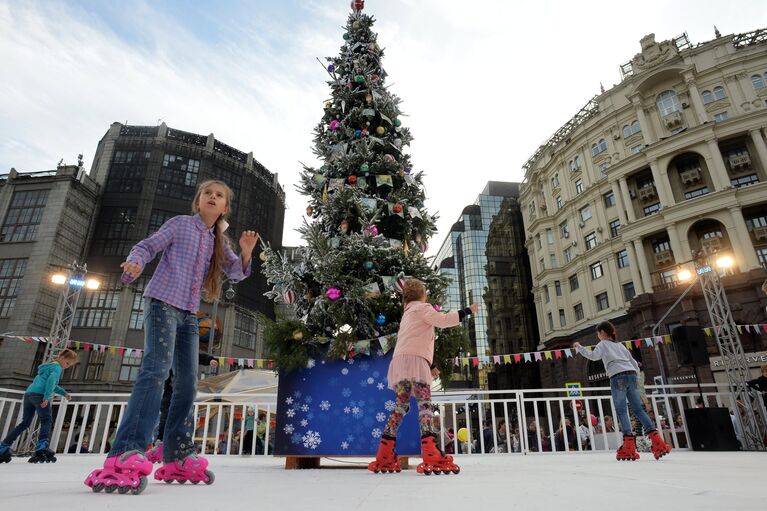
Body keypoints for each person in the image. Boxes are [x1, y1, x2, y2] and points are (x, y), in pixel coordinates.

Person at [85, 180, 258, 495]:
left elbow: (236, 272)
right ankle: (127, 448)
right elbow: (149, 245)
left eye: (219, 195)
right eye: (208, 193)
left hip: (189, 315)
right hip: (162, 304)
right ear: (198, 201)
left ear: (224, 208)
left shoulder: (217, 241)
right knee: (156, 371)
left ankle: (177, 452)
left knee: (188, 383)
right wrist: (136, 262)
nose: (212, 197)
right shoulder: (180, 225)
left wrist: (246, 252)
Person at [368, 278, 478, 475]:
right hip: (416, 362)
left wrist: (432, 364)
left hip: (401, 362)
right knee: (424, 403)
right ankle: (429, 451)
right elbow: (442, 321)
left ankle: (384, 451)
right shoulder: (423, 308)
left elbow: (415, 341)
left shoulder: (408, 313)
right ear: (422, 294)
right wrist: (466, 311)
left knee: (401, 405)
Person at [574, 320, 672, 461]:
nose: (598, 336)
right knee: (639, 409)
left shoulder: (603, 344)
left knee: (621, 410)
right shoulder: (620, 345)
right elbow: (634, 364)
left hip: (617, 376)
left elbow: (594, 356)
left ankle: (628, 445)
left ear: (602, 332)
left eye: (598, 333)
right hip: (632, 375)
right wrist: (635, 379)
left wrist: (580, 348)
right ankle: (658, 442)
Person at [0, 349, 77, 464]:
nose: (67, 366)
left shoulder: (48, 366)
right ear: (61, 358)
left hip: (29, 394)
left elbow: (51, 384)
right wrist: (46, 397)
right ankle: (42, 447)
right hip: (40, 395)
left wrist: (64, 393)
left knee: (25, 423)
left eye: (69, 365)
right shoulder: (57, 368)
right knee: (46, 420)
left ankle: (3, 447)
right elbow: (51, 382)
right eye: (67, 363)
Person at [145, 354, 219, 463]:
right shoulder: (169, 354)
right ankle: (160, 444)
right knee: (165, 417)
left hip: (183, 392)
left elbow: (197, 355)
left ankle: (184, 446)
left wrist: (211, 360)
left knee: (185, 418)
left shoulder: (184, 352)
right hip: (170, 392)